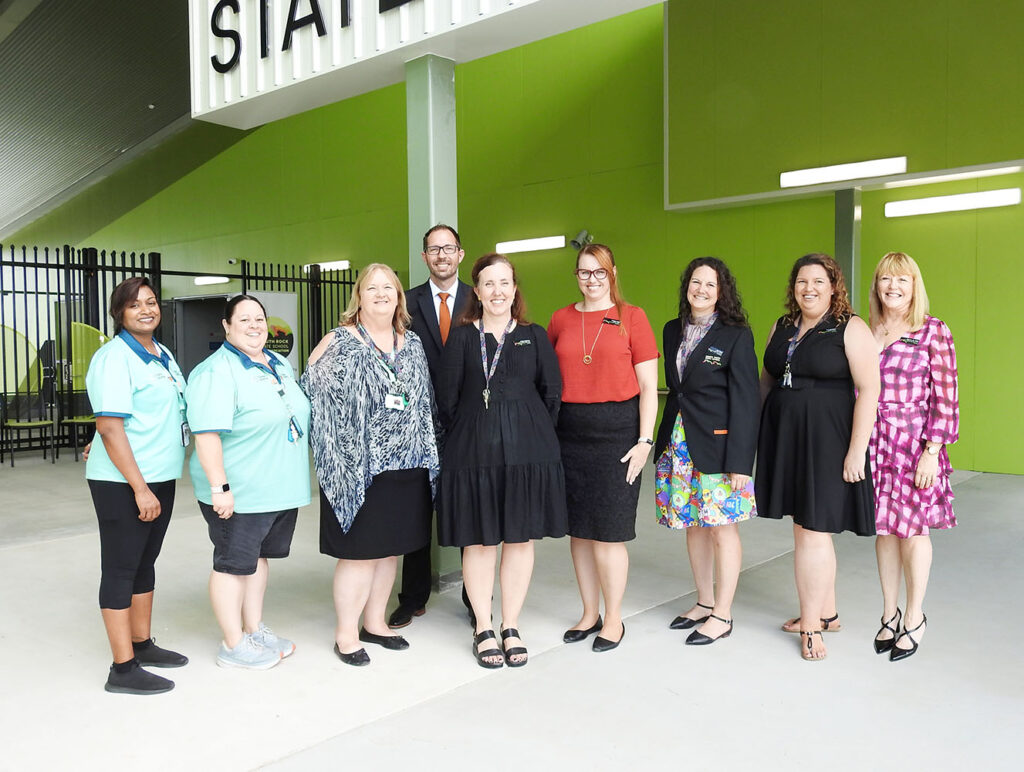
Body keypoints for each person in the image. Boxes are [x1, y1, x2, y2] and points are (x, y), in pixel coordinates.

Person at [302, 263, 439, 666]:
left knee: (389, 550)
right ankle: (346, 633)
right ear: (358, 296)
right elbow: (312, 395)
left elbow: (423, 399)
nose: (381, 294)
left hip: (408, 465)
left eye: (388, 288)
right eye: (372, 287)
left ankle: (375, 623)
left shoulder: (410, 342)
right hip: (360, 468)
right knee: (360, 553)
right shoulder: (339, 340)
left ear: (398, 297)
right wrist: (341, 450)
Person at [436, 253, 567, 668]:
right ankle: (483, 626)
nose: (497, 291)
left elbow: (552, 393)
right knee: (479, 541)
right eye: (488, 284)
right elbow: (447, 400)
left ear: (515, 288)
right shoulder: (460, 338)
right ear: (477, 291)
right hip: (473, 455)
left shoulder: (534, 334)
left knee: (519, 539)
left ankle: (510, 624)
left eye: (504, 283)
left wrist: (528, 430)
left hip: (528, 454)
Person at [756, 253, 880, 661]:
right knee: (806, 527)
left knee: (813, 529)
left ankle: (810, 626)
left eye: (818, 282)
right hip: (785, 437)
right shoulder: (783, 326)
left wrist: (856, 450)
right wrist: (753, 438)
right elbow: (767, 381)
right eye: (801, 282)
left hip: (828, 439)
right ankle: (826, 612)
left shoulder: (851, 328)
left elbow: (869, 391)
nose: (809, 289)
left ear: (833, 286)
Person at [185, 295, 311, 670]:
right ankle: (233, 643)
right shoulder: (216, 371)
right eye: (245, 319)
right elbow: (206, 435)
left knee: (258, 560)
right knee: (232, 565)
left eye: (260, 318)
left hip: (277, 488)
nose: (255, 326)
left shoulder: (277, 363)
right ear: (226, 325)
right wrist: (219, 488)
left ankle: (253, 629)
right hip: (239, 492)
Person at [548, 244, 659, 652]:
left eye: (599, 272)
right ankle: (588, 612)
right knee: (579, 531)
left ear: (613, 273)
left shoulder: (633, 318)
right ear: (575, 275)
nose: (591, 280)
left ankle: (613, 618)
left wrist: (645, 441)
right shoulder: (560, 319)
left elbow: (649, 387)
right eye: (583, 272)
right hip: (569, 434)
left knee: (609, 533)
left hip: (618, 434)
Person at [85, 277, 188, 694]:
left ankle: (141, 643)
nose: (146, 309)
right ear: (119, 313)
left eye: (151, 302)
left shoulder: (160, 353)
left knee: (145, 562)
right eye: (134, 305)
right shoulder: (114, 358)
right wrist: (139, 488)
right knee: (122, 567)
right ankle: (122, 669)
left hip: (160, 476)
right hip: (125, 482)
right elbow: (110, 426)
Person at [654, 257, 760, 645]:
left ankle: (723, 614)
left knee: (720, 528)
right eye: (695, 282)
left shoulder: (735, 334)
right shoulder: (671, 330)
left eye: (710, 285)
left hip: (718, 445)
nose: (700, 289)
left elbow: (747, 401)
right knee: (694, 525)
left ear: (722, 293)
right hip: (679, 443)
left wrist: (740, 462)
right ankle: (704, 600)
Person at [868, 252, 958, 661]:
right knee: (885, 531)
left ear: (914, 285)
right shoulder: (868, 331)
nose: (893, 287)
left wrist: (932, 452)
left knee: (914, 532)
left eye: (902, 280)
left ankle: (915, 616)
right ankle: (889, 612)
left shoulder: (932, 331)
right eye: (886, 279)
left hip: (915, 446)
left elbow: (947, 397)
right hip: (875, 445)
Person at [388, 223, 475, 630]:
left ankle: (475, 597)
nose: (441, 255)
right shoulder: (405, 303)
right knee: (414, 510)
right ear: (424, 257)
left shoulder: (480, 299)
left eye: (449, 248)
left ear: (460, 254)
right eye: (433, 249)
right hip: (417, 424)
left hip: (470, 422)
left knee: (470, 510)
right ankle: (413, 596)